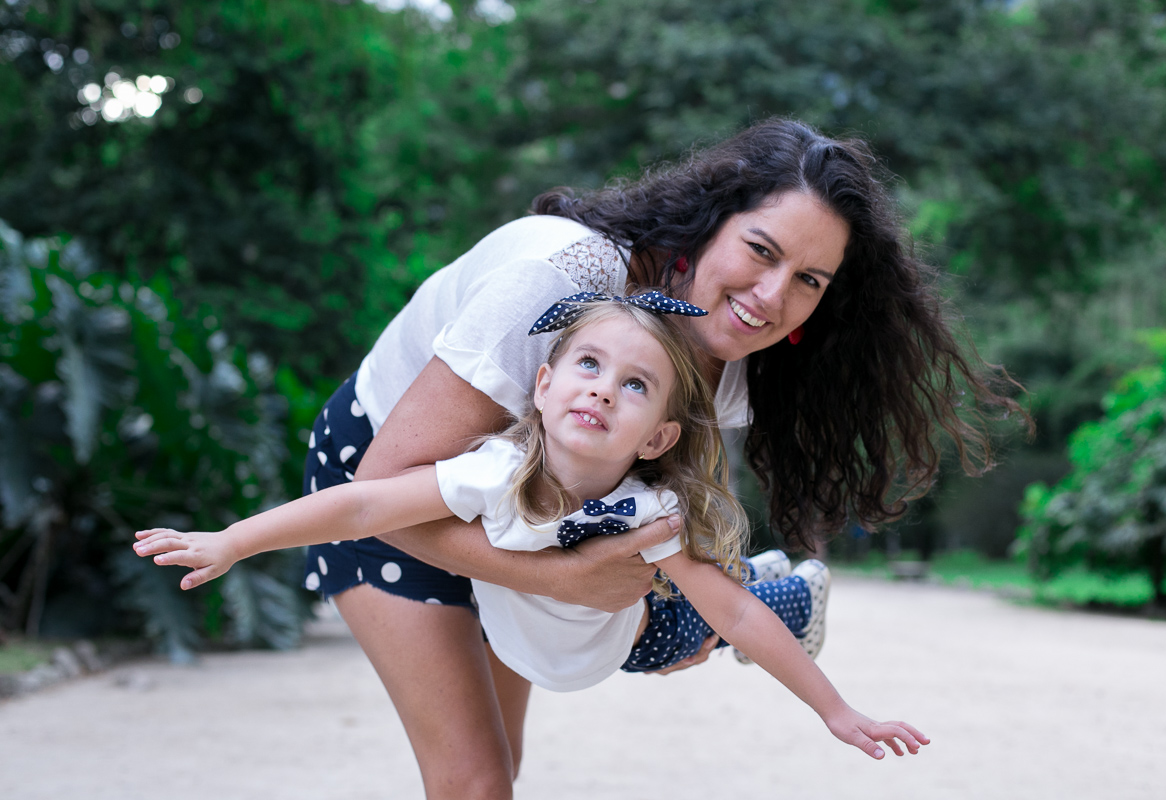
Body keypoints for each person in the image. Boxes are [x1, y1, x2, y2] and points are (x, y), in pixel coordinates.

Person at [155, 118, 1025, 799]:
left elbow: (662, 518)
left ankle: (772, 592)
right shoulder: (562, 277)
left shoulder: (726, 361)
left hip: (525, 499)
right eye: (762, 251)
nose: (772, 296)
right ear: (711, 221)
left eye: (809, 280)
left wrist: (691, 602)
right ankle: (770, 593)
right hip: (381, 473)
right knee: (472, 781)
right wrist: (562, 581)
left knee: (507, 759)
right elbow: (376, 493)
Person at [134, 295, 927, 758]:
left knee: (713, 615)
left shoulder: (649, 514)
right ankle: (761, 575)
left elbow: (734, 617)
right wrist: (232, 540)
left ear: (657, 437)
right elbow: (362, 504)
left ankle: (792, 588)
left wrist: (837, 711)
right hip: (522, 635)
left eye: (635, 384)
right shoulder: (490, 475)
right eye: (587, 366)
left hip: (633, 637)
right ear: (542, 385)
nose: (602, 390)